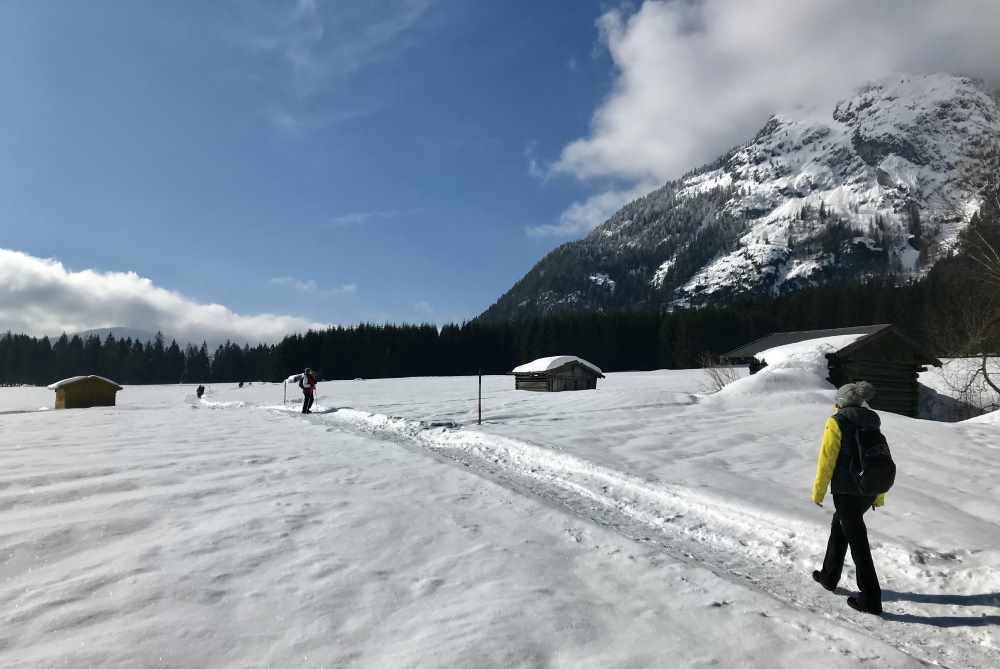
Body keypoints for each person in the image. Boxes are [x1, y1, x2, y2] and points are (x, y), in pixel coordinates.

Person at [811, 381, 885, 616]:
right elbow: (879, 457)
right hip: (868, 489)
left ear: (840, 402)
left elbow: (826, 460)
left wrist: (819, 491)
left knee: (858, 543)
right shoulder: (872, 420)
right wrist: (878, 495)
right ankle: (828, 576)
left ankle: (871, 600)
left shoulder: (837, 421)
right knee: (839, 527)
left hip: (847, 491)